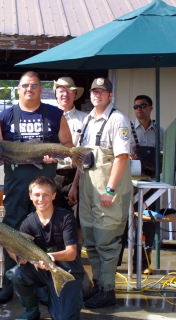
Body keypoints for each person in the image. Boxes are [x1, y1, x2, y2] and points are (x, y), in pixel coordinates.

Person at [0, 71, 73, 304]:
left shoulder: (55, 114)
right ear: (18, 88)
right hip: (15, 184)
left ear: (40, 89)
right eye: (26, 85)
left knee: (45, 231)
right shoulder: (5, 116)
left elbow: (67, 145)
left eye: (35, 86)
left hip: (44, 183)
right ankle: (9, 283)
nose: (30, 90)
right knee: (9, 232)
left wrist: (54, 156)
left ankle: (44, 285)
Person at [69, 77, 132, 308]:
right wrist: (75, 185)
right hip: (87, 189)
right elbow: (81, 157)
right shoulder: (87, 120)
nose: (97, 95)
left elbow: (122, 157)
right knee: (92, 242)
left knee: (107, 241)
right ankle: (98, 285)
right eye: (94, 91)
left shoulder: (118, 120)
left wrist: (110, 190)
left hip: (107, 192)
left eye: (102, 92)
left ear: (110, 95)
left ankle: (108, 290)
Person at [0, 176, 84, 320]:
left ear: (54, 196)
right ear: (30, 196)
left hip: (66, 270)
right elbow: (23, 261)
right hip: (41, 270)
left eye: (45, 195)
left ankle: (73, 294)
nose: (41, 199)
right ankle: (31, 311)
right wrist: (3, 242)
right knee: (16, 273)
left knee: (64, 317)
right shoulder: (28, 223)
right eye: (37, 195)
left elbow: (71, 253)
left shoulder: (66, 218)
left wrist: (50, 258)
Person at [127, 94, 164, 274]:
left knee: (150, 222)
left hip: (153, 184)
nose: (139, 109)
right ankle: (120, 264)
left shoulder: (160, 132)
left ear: (150, 108)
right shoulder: (127, 129)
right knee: (127, 222)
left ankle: (142, 264)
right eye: (136, 106)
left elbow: (166, 156)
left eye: (143, 105)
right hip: (132, 183)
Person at [53, 77, 87, 213]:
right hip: (52, 175)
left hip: (75, 176)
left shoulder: (85, 119)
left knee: (75, 222)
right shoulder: (48, 117)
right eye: (61, 91)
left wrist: (75, 184)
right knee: (51, 222)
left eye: (69, 91)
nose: (65, 94)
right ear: (56, 93)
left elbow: (83, 155)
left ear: (75, 94)